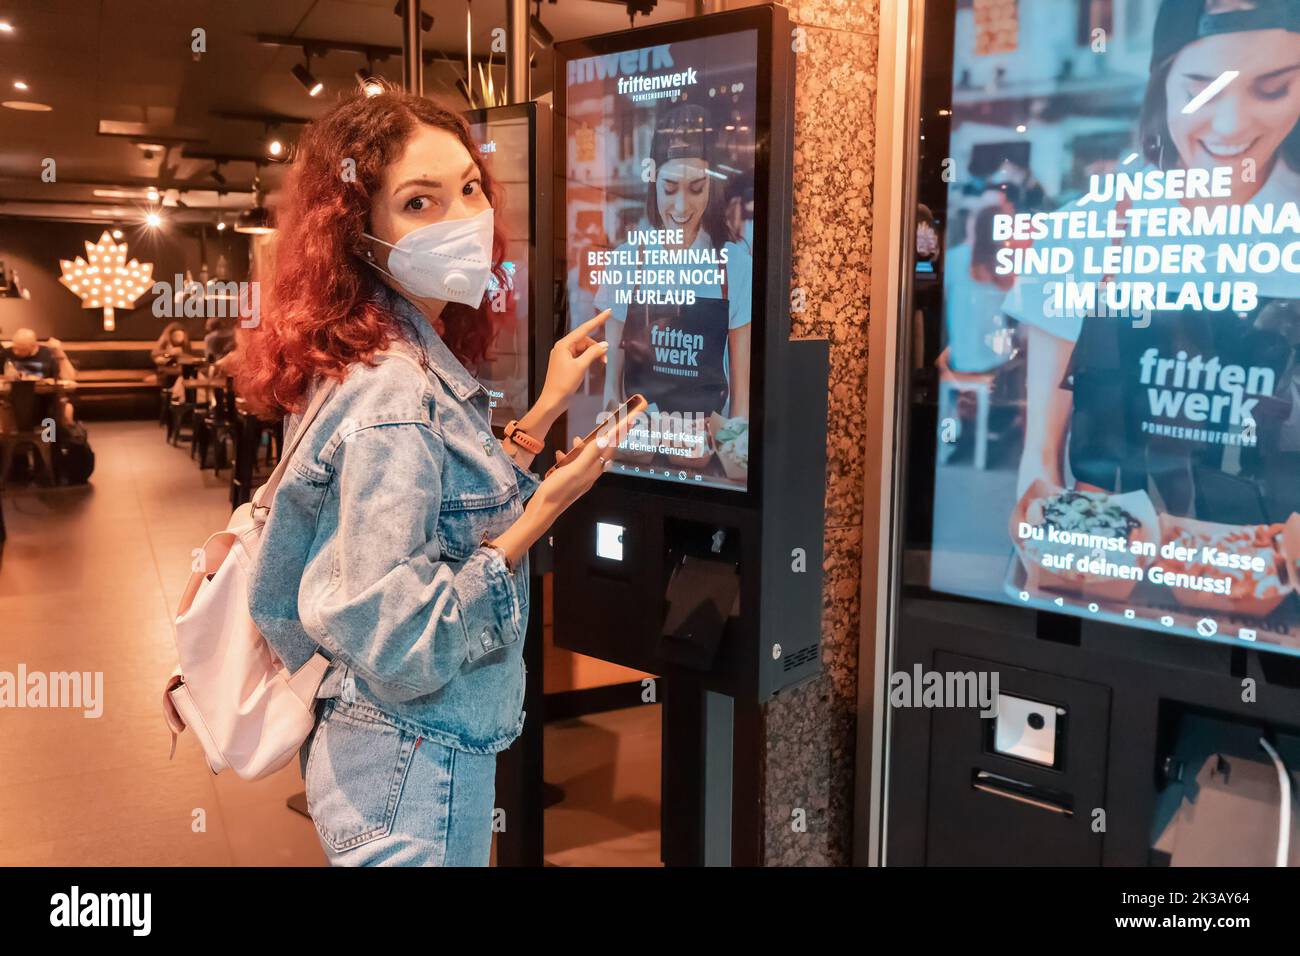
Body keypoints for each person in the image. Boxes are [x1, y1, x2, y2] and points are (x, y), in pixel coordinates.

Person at [236, 86, 619, 866]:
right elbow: (401, 636)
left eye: (470, 189)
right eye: (419, 202)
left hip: (383, 752)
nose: (461, 221)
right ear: (358, 233)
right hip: (413, 758)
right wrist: (541, 512)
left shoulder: (374, 357)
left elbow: (437, 520)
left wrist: (542, 413)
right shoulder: (394, 390)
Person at [1008, 0, 1300, 521]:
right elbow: (1041, 465)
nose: (1231, 124)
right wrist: (1058, 555)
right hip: (1114, 541)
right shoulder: (1096, 228)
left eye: (1274, 88)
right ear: (1162, 86)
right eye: (1201, 89)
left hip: (1269, 560)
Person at [597, 102, 753, 432]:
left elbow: (741, 397)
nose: (681, 206)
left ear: (713, 186)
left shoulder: (735, 265)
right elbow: (611, 388)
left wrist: (733, 453)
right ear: (653, 180)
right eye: (669, 188)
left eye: (697, 189)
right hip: (639, 439)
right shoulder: (627, 260)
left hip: (707, 448)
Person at [2, 328, 77, 426]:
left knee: (63, 409)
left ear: (34, 346)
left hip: (44, 400)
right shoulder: (6, 353)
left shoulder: (47, 354)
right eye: (14, 347)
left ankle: (50, 438)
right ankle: (9, 440)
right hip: (13, 400)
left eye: (22, 349)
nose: (16, 352)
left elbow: (69, 378)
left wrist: (60, 353)